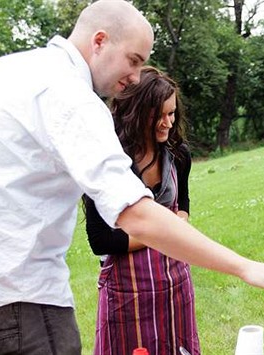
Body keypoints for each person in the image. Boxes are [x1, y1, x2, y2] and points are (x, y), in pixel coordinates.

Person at [0, 1, 264, 354]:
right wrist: (245, 267)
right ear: (99, 41)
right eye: (134, 59)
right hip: (19, 295)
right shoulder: (70, 96)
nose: (135, 76)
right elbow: (135, 214)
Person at [83, 66, 200, 354]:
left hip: (175, 280)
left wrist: (178, 222)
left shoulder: (178, 154)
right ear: (135, 113)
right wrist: (165, 232)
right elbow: (101, 239)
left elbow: (181, 204)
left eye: (171, 113)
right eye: (158, 115)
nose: (167, 123)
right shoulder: (107, 162)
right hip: (127, 290)